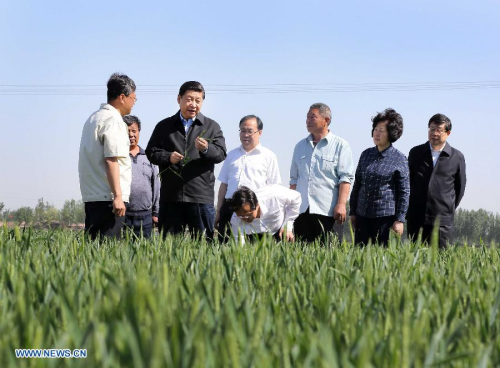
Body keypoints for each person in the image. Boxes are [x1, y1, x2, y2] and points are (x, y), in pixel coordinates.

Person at [146, 81, 226, 240]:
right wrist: (168, 157)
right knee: (169, 247)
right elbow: (151, 152)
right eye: (189, 99)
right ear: (179, 99)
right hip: (172, 197)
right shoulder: (164, 126)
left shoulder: (212, 126)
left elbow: (221, 154)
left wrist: (205, 149)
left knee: (204, 247)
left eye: (198, 100)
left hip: (200, 197)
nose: (193, 104)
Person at [78, 73, 136, 240]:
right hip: (109, 199)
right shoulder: (114, 120)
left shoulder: (93, 118)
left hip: (93, 197)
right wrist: (118, 196)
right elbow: (112, 159)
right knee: (108, 255)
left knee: (93, 252)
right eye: (133, 98)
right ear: (122, 97)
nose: (134, 103)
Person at [289, 103, 355, 244]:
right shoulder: (300, 146)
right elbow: (294, 180)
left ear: (326, 120)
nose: (308, 121)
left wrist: (342, 204)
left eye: (312, 117)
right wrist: (290, 210)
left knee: (329, 254)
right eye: (307, 117)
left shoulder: (340, 145)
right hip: (302, 211)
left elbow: (345, 178)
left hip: (328, 211)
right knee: (302, 255)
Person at [215, 115, 281, 242]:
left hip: (254, 209)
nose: (245, 135)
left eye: (249, 131)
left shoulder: (268, 156)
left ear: (259, 132)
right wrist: (219, 211)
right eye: (242, 131)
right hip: (230, 207)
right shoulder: (231, 155)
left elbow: (274, 188)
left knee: (254, 248)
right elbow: (224, 184)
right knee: (226, 246)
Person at [349, 108, 410, 246]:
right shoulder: (366, 154)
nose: (376, 133)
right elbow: (357, 184)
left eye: (381, 130)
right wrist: (352, 212)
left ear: (391, 133)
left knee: (382, 259)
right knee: (360, 258)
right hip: (362, 216)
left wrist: (400, 220)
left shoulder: (399, 159)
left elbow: (404, 192)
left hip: (385, 219)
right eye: (375, 129)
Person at [407, 113, 466, 248]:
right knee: (415, 261)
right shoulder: (416, 153)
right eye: (431, 129)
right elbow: (408, 182)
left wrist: (447, 207)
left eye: (439, 130)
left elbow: (460, 188)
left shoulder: (456, 157)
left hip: (442, 221)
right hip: (417, 218)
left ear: (448, 133)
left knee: (442, 261)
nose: (434, 133)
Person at [123, 115, 160, 238]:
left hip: (145, 215)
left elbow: (156, 185)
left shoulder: (149, 157)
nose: (131, 135)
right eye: (126, 131)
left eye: (134, 131)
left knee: (145, 253)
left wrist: (156, 212)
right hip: (123, 214)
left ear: (139, 131)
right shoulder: (118, 157)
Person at [230, 185, 301, 244]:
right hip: (256, 235)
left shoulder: (274, 196)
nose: (245, 218)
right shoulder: (236, 218)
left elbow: (296, 197)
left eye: (249, 214)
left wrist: (287, 226)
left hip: (279, 229)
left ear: (257, 205)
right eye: (241, 216)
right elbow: (239, 245)